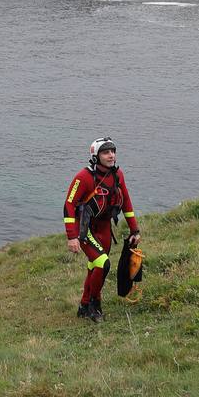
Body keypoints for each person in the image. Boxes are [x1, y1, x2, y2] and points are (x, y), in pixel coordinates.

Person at [63, 137, 140, 322]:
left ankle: (83, 305)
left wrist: (134, 230)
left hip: (104, 228)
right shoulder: (83, 177)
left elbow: (126, 203)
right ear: (96, 156)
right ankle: (94, 305)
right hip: (85, 229)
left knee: (94, 267)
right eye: (106, 152)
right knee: (103, 264)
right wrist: (72, 236)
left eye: (113, 151)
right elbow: (68, 205)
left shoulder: (118, 175)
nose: (111, 155)